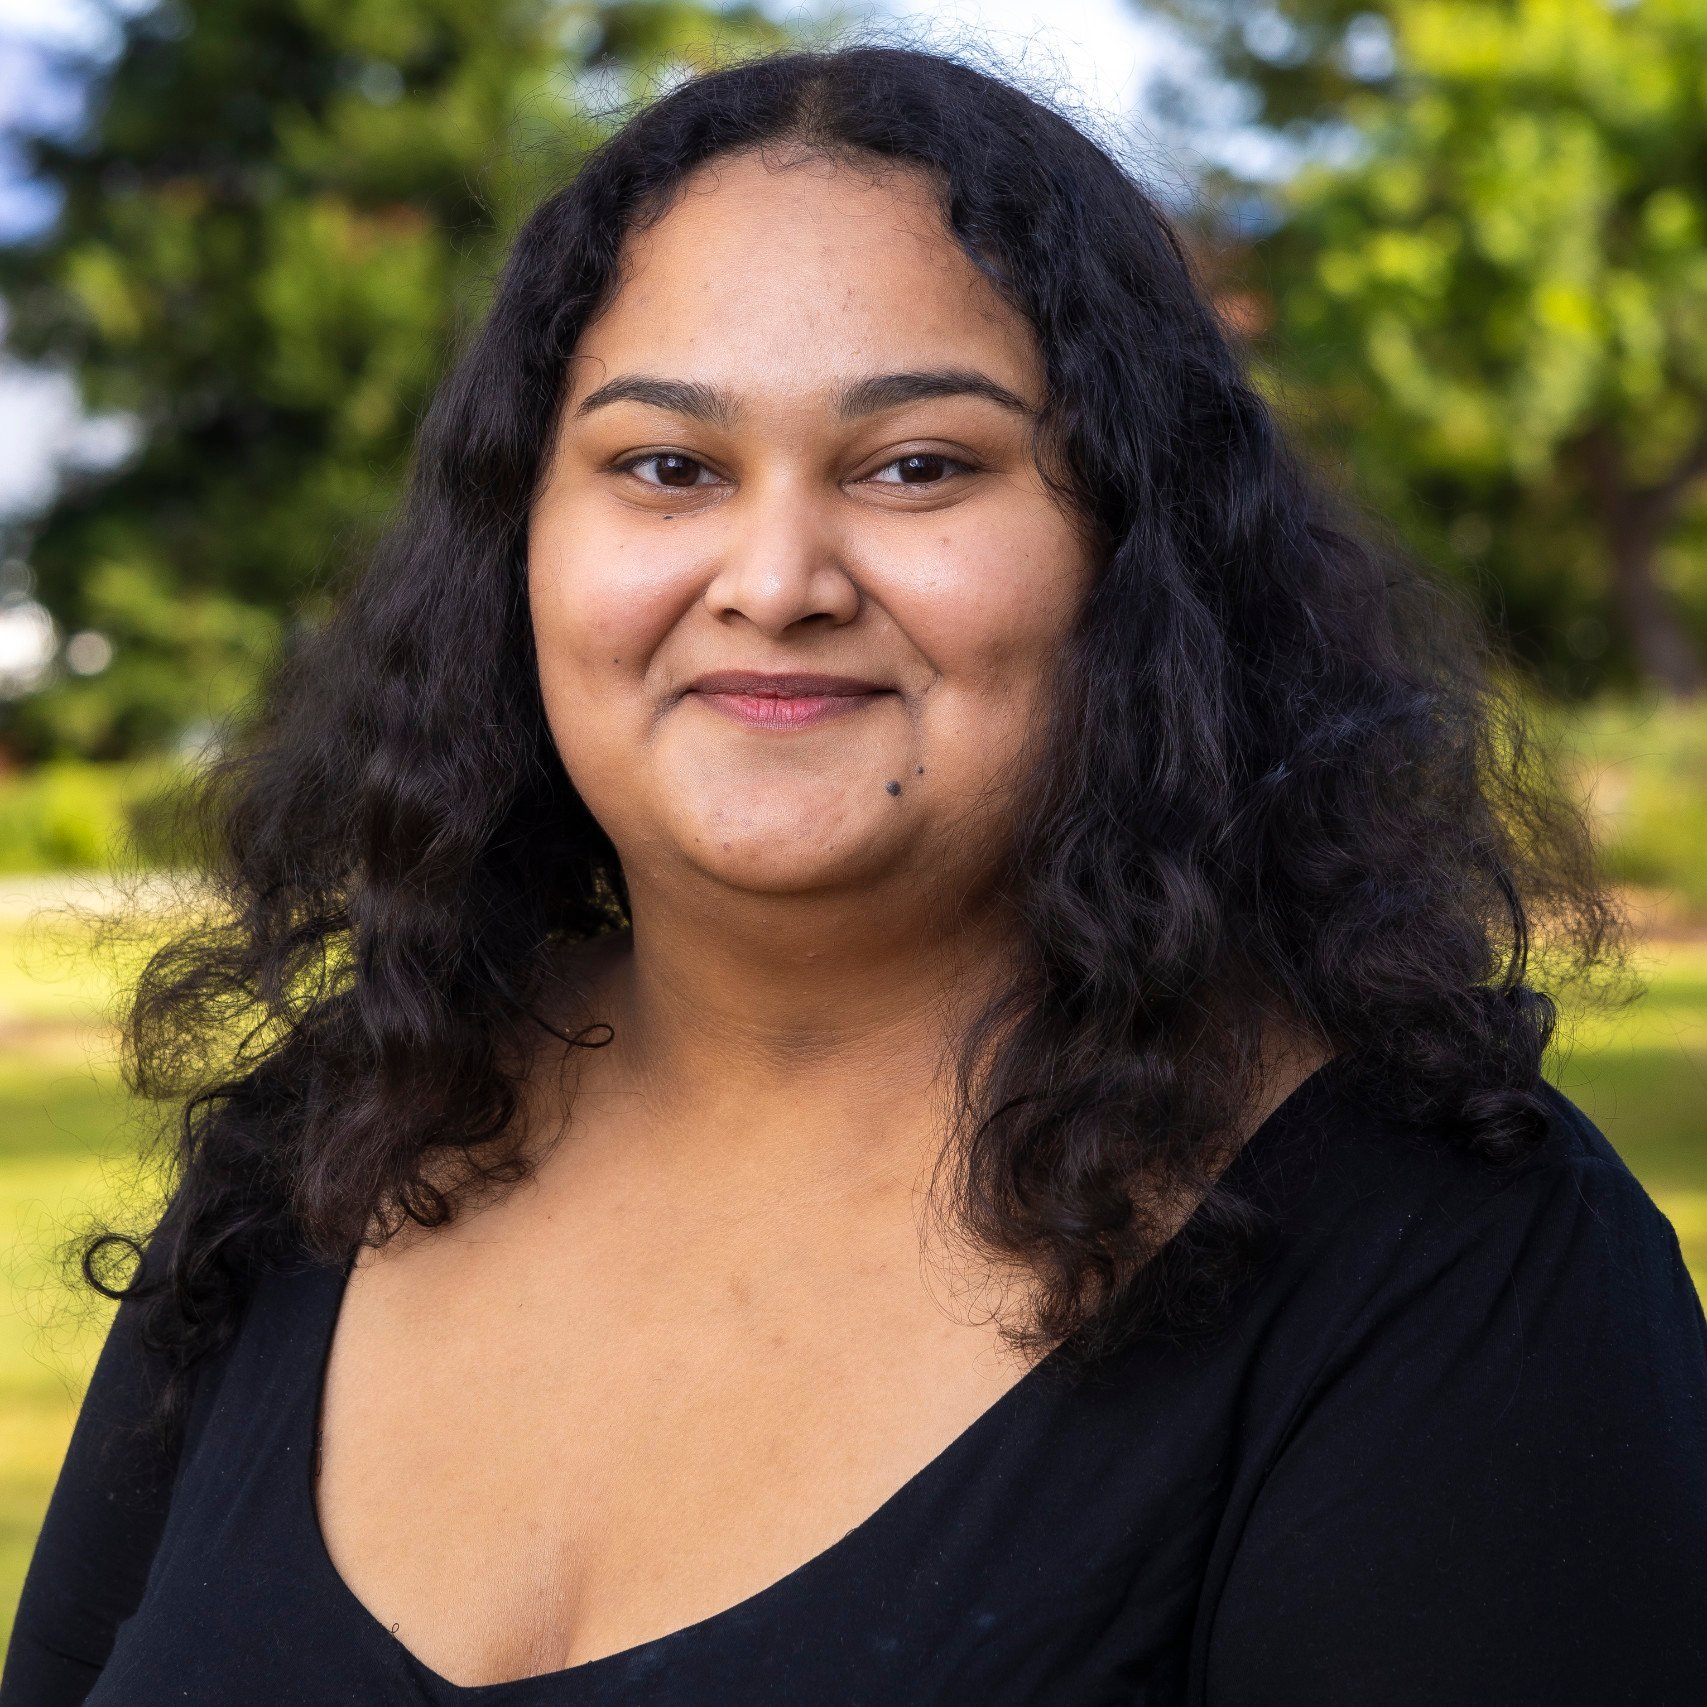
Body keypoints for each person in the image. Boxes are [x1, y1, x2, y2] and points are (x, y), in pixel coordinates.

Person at [4, 42, 1705, 1707]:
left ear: (1139, 552)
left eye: (917, 467)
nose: (776, 576)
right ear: (517, 546)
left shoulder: (1455, 1268)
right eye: (667, 467)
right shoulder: (322, 1145)